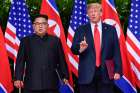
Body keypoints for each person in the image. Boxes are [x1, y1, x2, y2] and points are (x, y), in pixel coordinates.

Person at [71, 3, 122, 93]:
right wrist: (80, 49)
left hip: (106, 73)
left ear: (101, 13)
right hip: (86, 74)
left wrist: (118, 70)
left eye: (95, 11)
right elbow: (73, 49)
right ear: (87, 14)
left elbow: (116, 51)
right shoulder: (81, 29)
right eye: (90, 12)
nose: (93, 14)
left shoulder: (111, 30)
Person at [14, 14, 69, 93]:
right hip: (31, 84)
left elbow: (61, 60)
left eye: (43, 23)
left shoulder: (55, 41)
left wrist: (64, 76)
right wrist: (18, 78)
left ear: (47, 26)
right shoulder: (25, 41)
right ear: (33, 26)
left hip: (51, 84)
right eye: (37, 24)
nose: (40, 26)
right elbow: (20, 61)